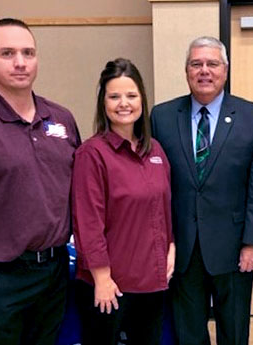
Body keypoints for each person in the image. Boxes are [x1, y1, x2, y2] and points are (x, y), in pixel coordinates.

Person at [0, 18, 80, 345]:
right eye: (7, 53)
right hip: (1, 279)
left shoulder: (60, 119)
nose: (20, 62)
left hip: (55, 273)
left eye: (28, 52)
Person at [150, 36, 253, 345]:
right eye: (196, 64)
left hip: (234, 248)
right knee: (188, 332)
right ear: (187, 71)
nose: (204, 70)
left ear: (226, 70)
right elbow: (156, 184)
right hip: (183, 248)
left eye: (212, 64)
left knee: (233, 330)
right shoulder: (162, 117)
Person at [72, 58, 175, 345]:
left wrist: (172, 245)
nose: (123, 103)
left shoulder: (155, 150)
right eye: (114, 96)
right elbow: (87, 222)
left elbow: (165, 206)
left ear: (142, 99)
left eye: (131, 95)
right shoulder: (91, 154)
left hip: (152, 281)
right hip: (110, 286)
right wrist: (102, 278)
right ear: (103, 103)